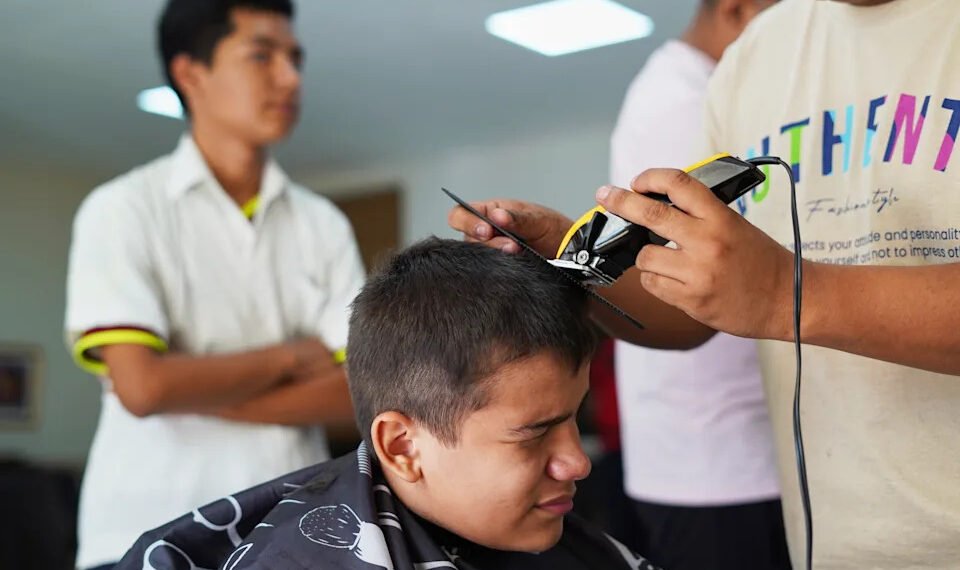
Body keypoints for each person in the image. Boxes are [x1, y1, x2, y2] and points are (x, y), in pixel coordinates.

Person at [449, 0, 960, 566]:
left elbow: (769, 295)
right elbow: (692, 314)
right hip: (833, 541)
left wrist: (783, 294)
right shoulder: (757, 55)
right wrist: (568, 253)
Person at [110, 239, 661, 570]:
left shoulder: (582, 550)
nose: (578, 462)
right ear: (403, 447)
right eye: (535, 433)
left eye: (572, 419)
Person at [64, 1, 365, 568]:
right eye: (261, 55)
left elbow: (357, 393)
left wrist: (188, 389)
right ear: (190, 73)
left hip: (286, 537)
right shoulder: (121, 209)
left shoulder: (322, 222)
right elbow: (145, 389)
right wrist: (292, 356)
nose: (290, 77)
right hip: (141, 534)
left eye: (295, 58)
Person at [608, 1, 788, 568]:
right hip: (720, 462)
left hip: (711, 456)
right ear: (739, 10)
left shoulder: (686, 91)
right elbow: (681, 277)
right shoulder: (686, 101)